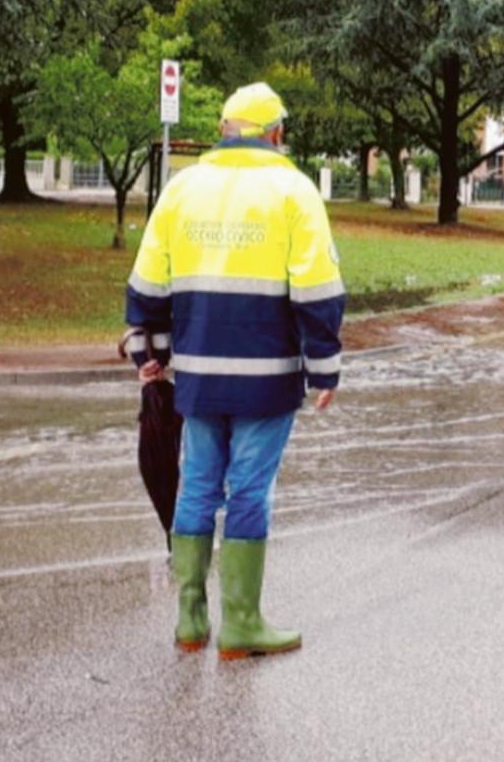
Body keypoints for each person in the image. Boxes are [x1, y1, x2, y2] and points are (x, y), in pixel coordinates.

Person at [124, 82, 345, 661]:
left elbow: (148, 283)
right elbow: (317, 291)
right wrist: (324, 369)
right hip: (267, 376)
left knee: (197, 483)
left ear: (224, 130)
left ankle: (190, 620)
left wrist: (151, 353)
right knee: (249, 488)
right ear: (276, 133)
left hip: (197, 375)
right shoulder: (294, 191)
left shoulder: (182, 188)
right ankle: (242, 623)